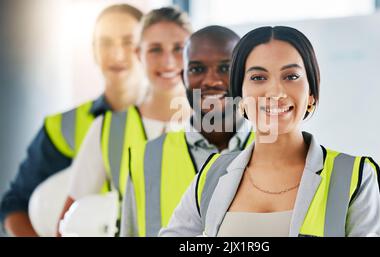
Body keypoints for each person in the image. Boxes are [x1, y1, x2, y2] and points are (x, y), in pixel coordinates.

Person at [159, 26, 380, 237]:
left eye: (291, 76)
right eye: (258, 78)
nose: (275, 91)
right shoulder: (211, 175)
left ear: (311, 94)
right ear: (240, 98)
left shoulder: (354, 176)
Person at [0, 4, 145, 236]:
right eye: (106, 43)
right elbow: (14, 205)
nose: (117, 54)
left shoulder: (176, 122)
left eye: (128, 42)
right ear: (94, 51)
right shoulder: (63, 128)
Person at [57, 6, 193, 236]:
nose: (168, 61)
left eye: (179, 48)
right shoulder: (107, 130)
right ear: (139, 54)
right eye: (155, 49)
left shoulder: (218, 127)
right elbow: (67, 225)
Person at [120, 25, 255, 237]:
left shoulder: (279, 153)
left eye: (225, 68)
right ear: (183, 77)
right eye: (197, 69)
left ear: (244, 75)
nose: (211, 81)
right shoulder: (145, 159)